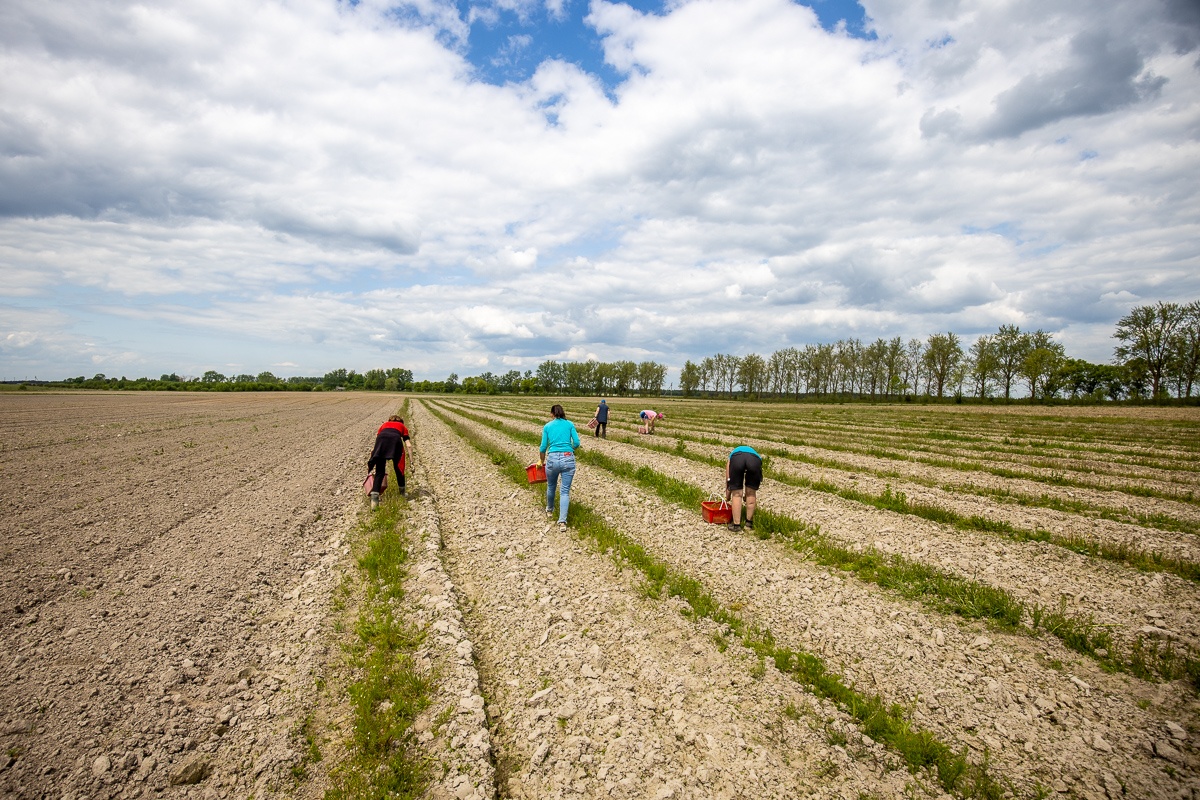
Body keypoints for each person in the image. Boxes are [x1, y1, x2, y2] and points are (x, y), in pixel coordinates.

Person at [538, 404, 580, 528]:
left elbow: (543, 447)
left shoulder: (547, 426)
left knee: (551, 486)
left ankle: (549, 510)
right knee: (565, 491)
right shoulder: (570, 424)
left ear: (552, 414)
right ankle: (562, 522)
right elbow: (577, 442)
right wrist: (569, 449)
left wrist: (541, 461)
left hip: (552, 458)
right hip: (568, 458)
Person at [368, 414, 411, 509]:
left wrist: (375, 454)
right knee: (399, 468)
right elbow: (408, 445)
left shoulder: (384, 425)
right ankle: (402, 493)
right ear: (401, 422)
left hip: (381, 443)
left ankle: (374, 500)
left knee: (380, 471)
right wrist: (411, 462)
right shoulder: (402, 426)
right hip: (395, 442)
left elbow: (378, 440)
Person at [725, 445, 762, 532]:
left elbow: (728, 479)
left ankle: (736, 525)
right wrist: (747, 495)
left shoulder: (732, 456)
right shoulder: (755, 454)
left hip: (737, 459)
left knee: (737, 494)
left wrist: (728, 496)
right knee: (751, 493)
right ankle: (749, 524)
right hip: (755, 460)